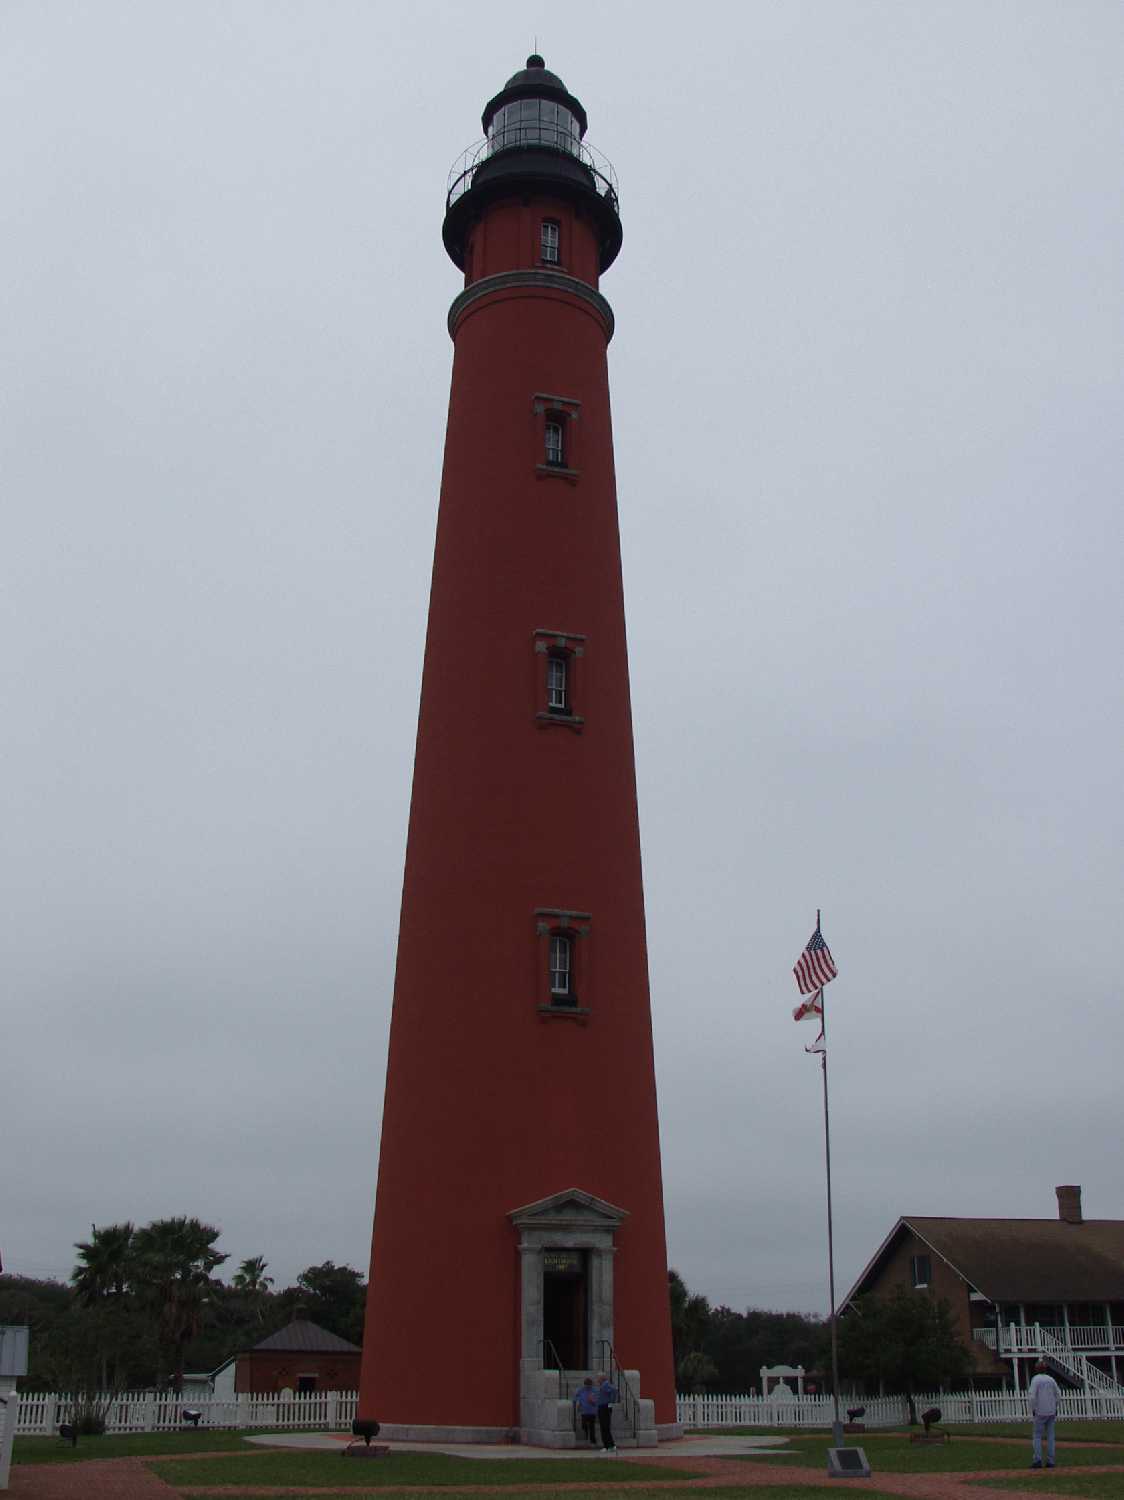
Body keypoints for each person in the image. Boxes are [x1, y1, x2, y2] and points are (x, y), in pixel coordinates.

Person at [1028, 1358, 1060, 1469]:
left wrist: (1033, 1408)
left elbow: (1032, 1396)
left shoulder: (1035, 1379)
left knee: (1037, 1436)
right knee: (1051, 1436)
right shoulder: (1051, 1379)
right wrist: (1056, 1407)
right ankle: (1051, 1461)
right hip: (1051, 1411)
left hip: (1040, 1411)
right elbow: (1058, 1394)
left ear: (1036, 1369)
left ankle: (1037, 1460)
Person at [595, 1371, 618, 1452]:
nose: (597, 1379)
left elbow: (614, 1390)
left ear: (602, 1378)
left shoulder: (605, 1385)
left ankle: (609, 1445)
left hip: (604, 1407)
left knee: (605, 1427)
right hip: (602, 1407)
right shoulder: (603, 1386)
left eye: (598, 1378)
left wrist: (610, 1402)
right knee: (604, 1427)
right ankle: (609, 1445)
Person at [573, 1377, 598, 1446]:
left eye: (589, 1385)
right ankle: (586, 1438)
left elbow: (597, 1401)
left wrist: (593, 1401)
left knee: (592, 1426)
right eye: (586, 1385)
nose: (588, 1386)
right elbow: (575, 1397)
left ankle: (593, 1441)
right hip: (584, 1411)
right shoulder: (581, 1390)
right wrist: (578, 1403)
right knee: (584, 1425)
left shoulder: (594, 1391)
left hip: (592, 1411)